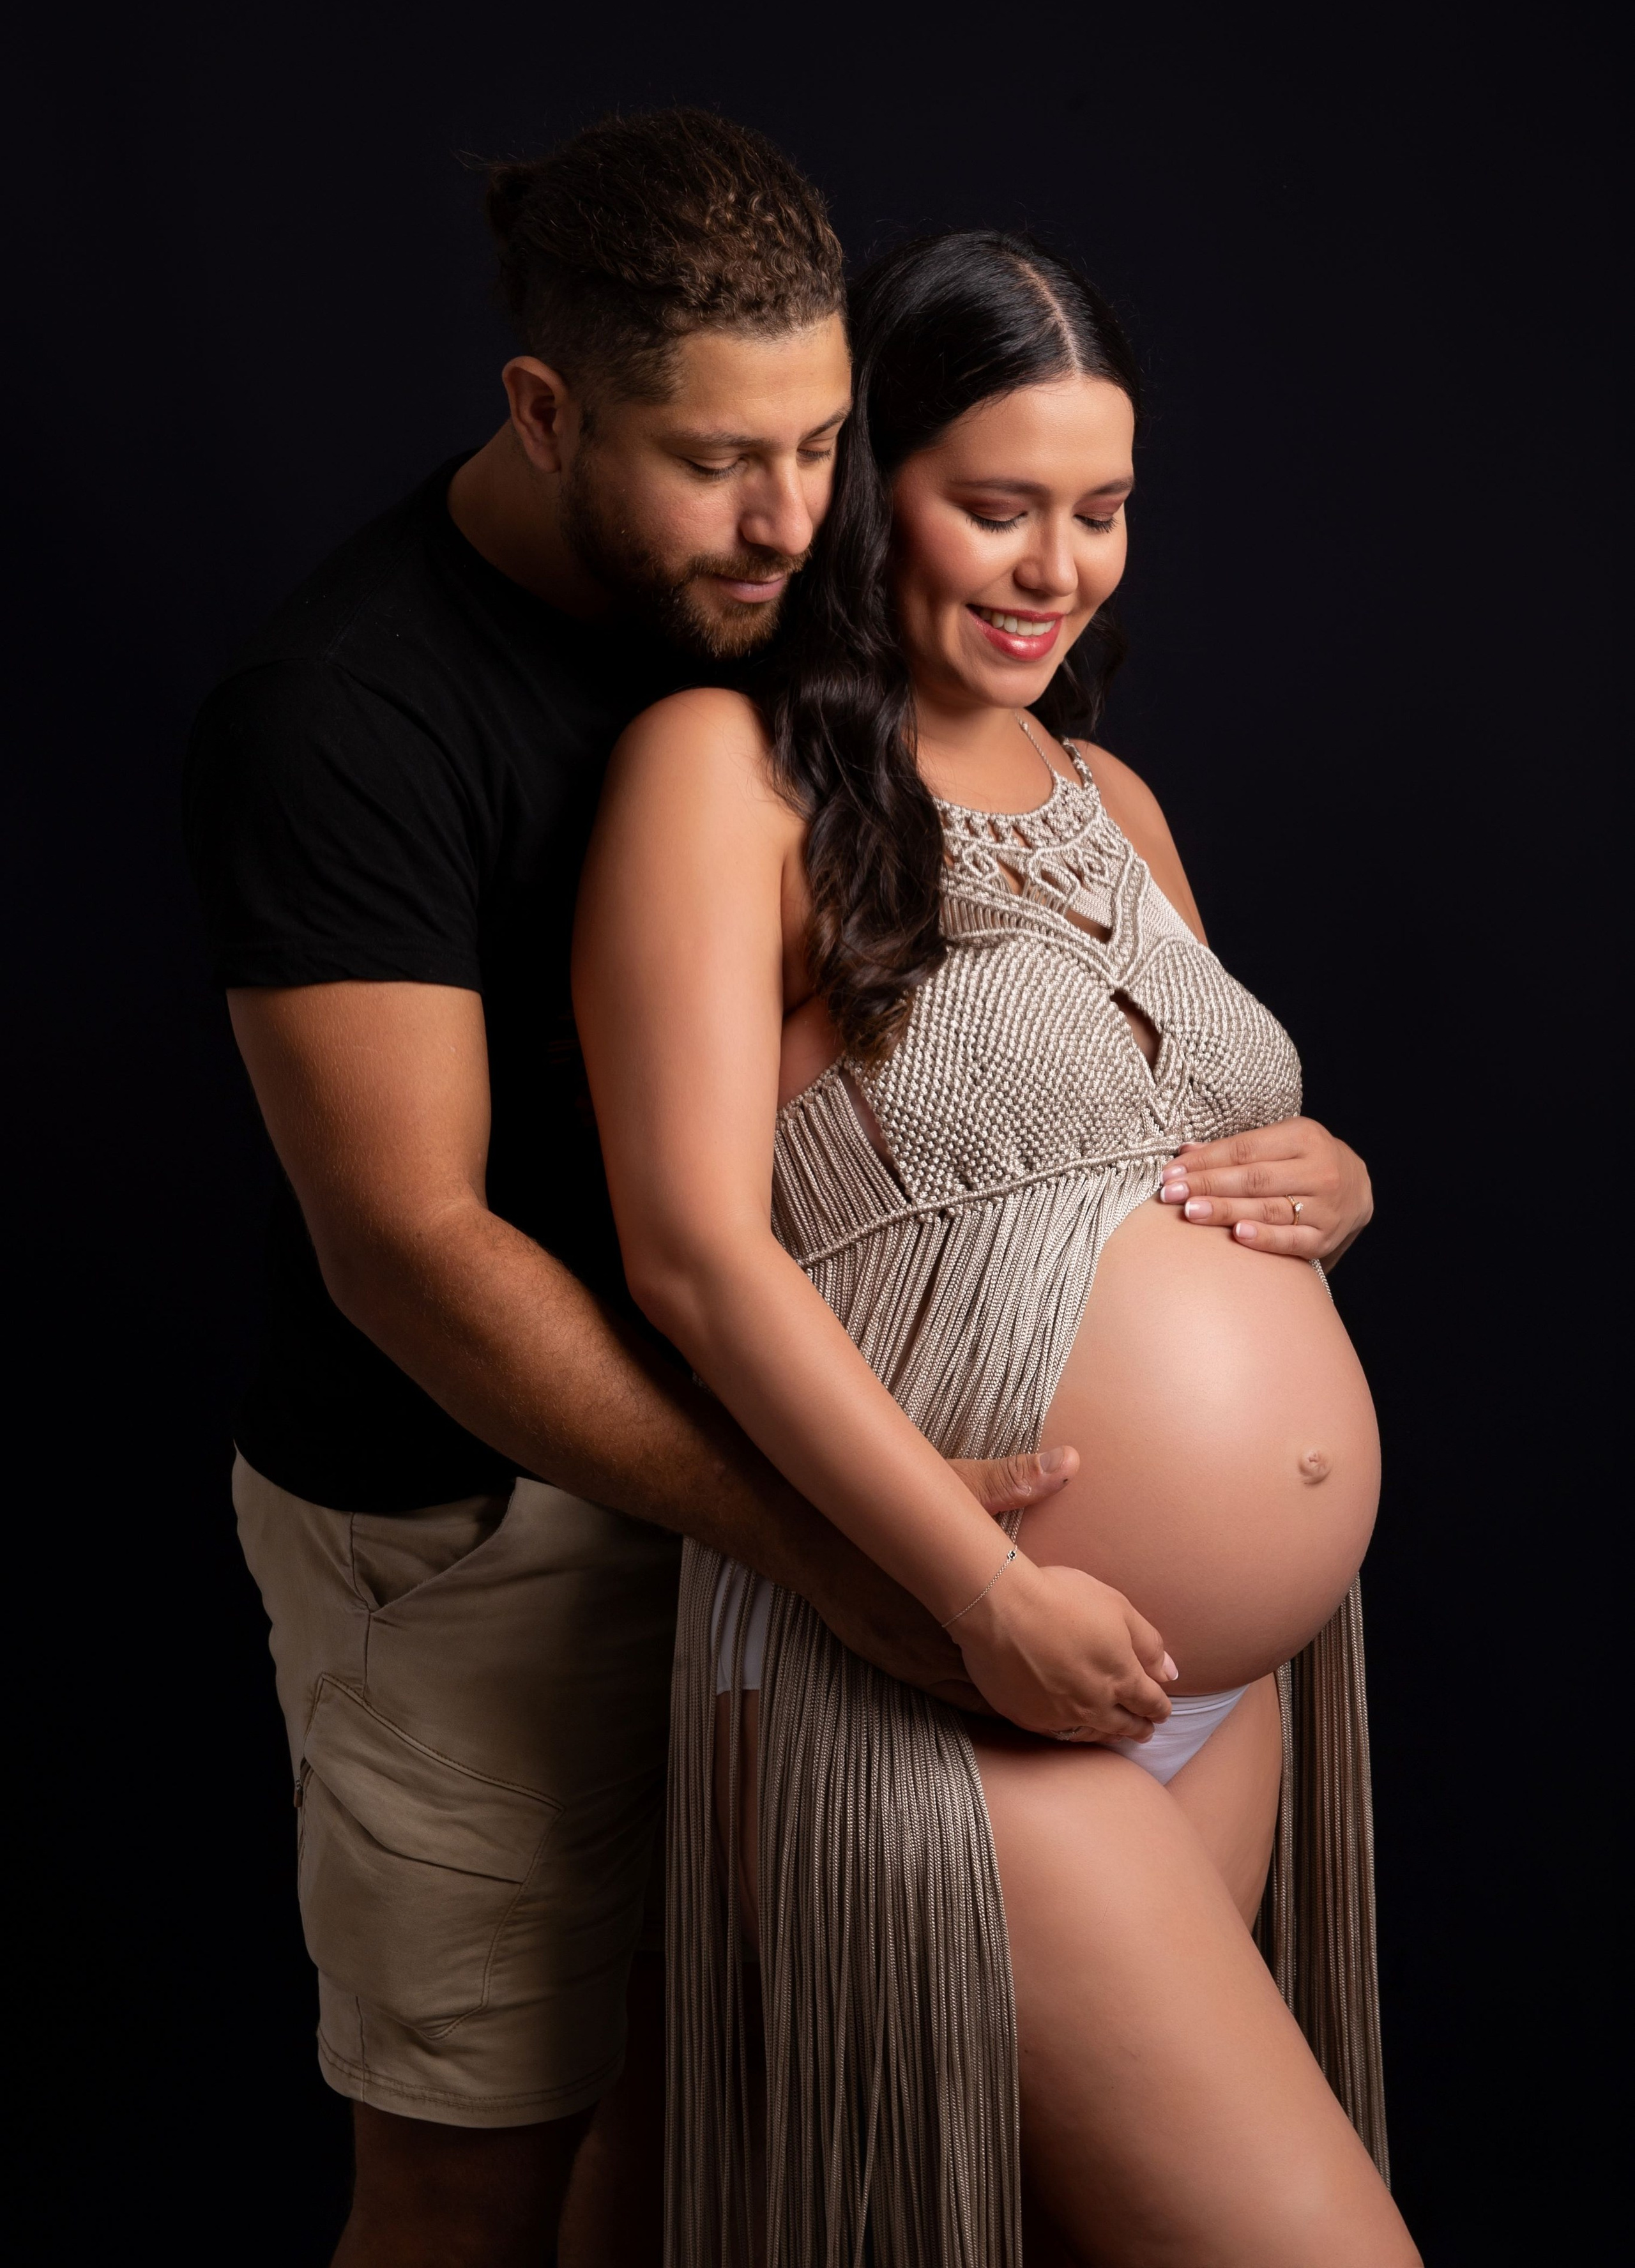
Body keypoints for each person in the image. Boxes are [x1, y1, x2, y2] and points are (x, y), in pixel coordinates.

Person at [183, 114, 1071, 2268]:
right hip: (478, 1519)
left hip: (789, 1473)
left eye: (824, 444)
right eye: (712, 463)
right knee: (478, 2167)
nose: (788, 525)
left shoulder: (784, 591)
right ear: (545, 408)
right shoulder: (349, 712)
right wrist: (852, 1550)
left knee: (693, 2125)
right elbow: (412, 1254)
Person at [574, 230, 1421, 2263]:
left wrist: (1342, 1183)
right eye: (999, 507)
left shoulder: (1112, 797)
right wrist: (976, 1599)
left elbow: (1192, 1138)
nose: (1060, 568)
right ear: (875, 495)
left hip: (1223, 1690)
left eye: (1104, 511)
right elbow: (692, 1254)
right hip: (951, 1675)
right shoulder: (727, 776)